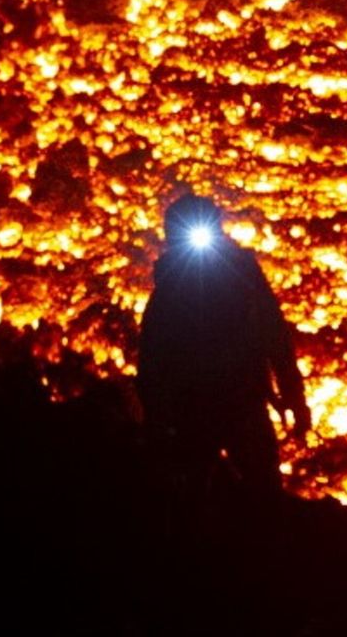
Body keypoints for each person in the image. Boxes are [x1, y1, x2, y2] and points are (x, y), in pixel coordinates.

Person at [138, 193, 310, 496]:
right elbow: (154, 355)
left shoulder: (239, 275)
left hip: (235, 400)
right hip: (202, 404)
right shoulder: (173, 288)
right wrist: (157, 418)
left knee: (258, 490)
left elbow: (273, 330)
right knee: (202, 492)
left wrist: (294, 395)